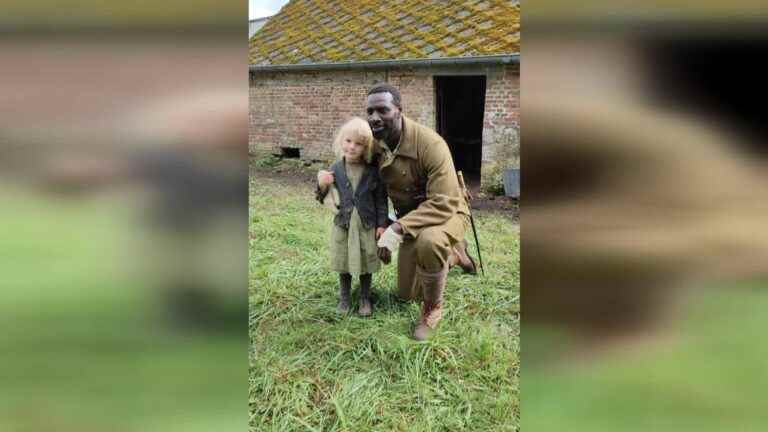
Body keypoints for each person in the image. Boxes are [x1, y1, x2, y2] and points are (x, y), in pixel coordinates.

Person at [369, 83, 477, 340]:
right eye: (370, 111)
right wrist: (383, 221)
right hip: (412, 216)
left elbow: (443, 202)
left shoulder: (431, 144)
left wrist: (397, 228)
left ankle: (432, 310)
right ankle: (456, 256)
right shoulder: (376, 144)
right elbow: (368, 183)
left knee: (430, 241)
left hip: (449, 211)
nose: (374, 117)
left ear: (398, 110)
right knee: (406, 295)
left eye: (382, 110)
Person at [316, 117, 389, 316]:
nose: (352, 147)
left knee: (366, 261)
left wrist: (382, 225)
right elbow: (322, 196)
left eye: (358, 144)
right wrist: (322, 184)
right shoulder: (335, 168)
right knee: (344, 261)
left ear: (366, 147)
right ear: (341, 141)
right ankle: (345, 298)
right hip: (344, 224)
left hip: (366, 224)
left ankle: (365, 298)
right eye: (348, 141)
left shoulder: (373, 171)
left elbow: (381, 200)